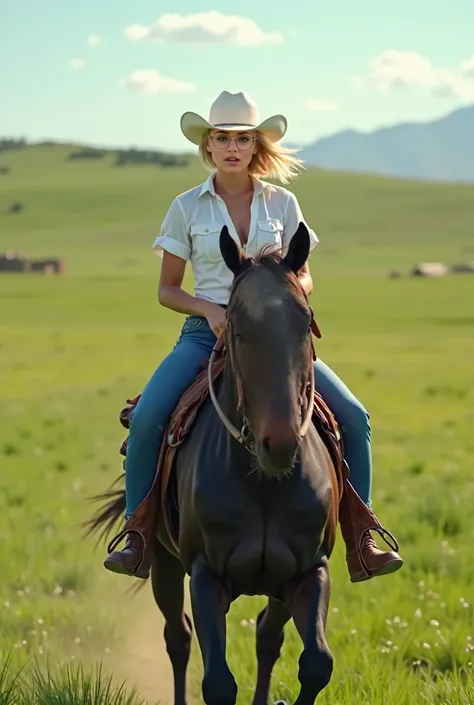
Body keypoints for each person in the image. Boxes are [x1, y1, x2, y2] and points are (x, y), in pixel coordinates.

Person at [104, 90, 403, 582]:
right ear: (208, 146)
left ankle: (363, 533)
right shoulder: (186, 208)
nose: (231, 147)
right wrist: (210, 310)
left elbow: (303, 276)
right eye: (221, 138)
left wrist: (285, 294)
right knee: (149, 418)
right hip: (206, 334)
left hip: (274, 336)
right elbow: (168, 290)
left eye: (242, 138)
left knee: (352, 416)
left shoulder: (283, 203)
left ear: (256, 145)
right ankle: (137, 534)